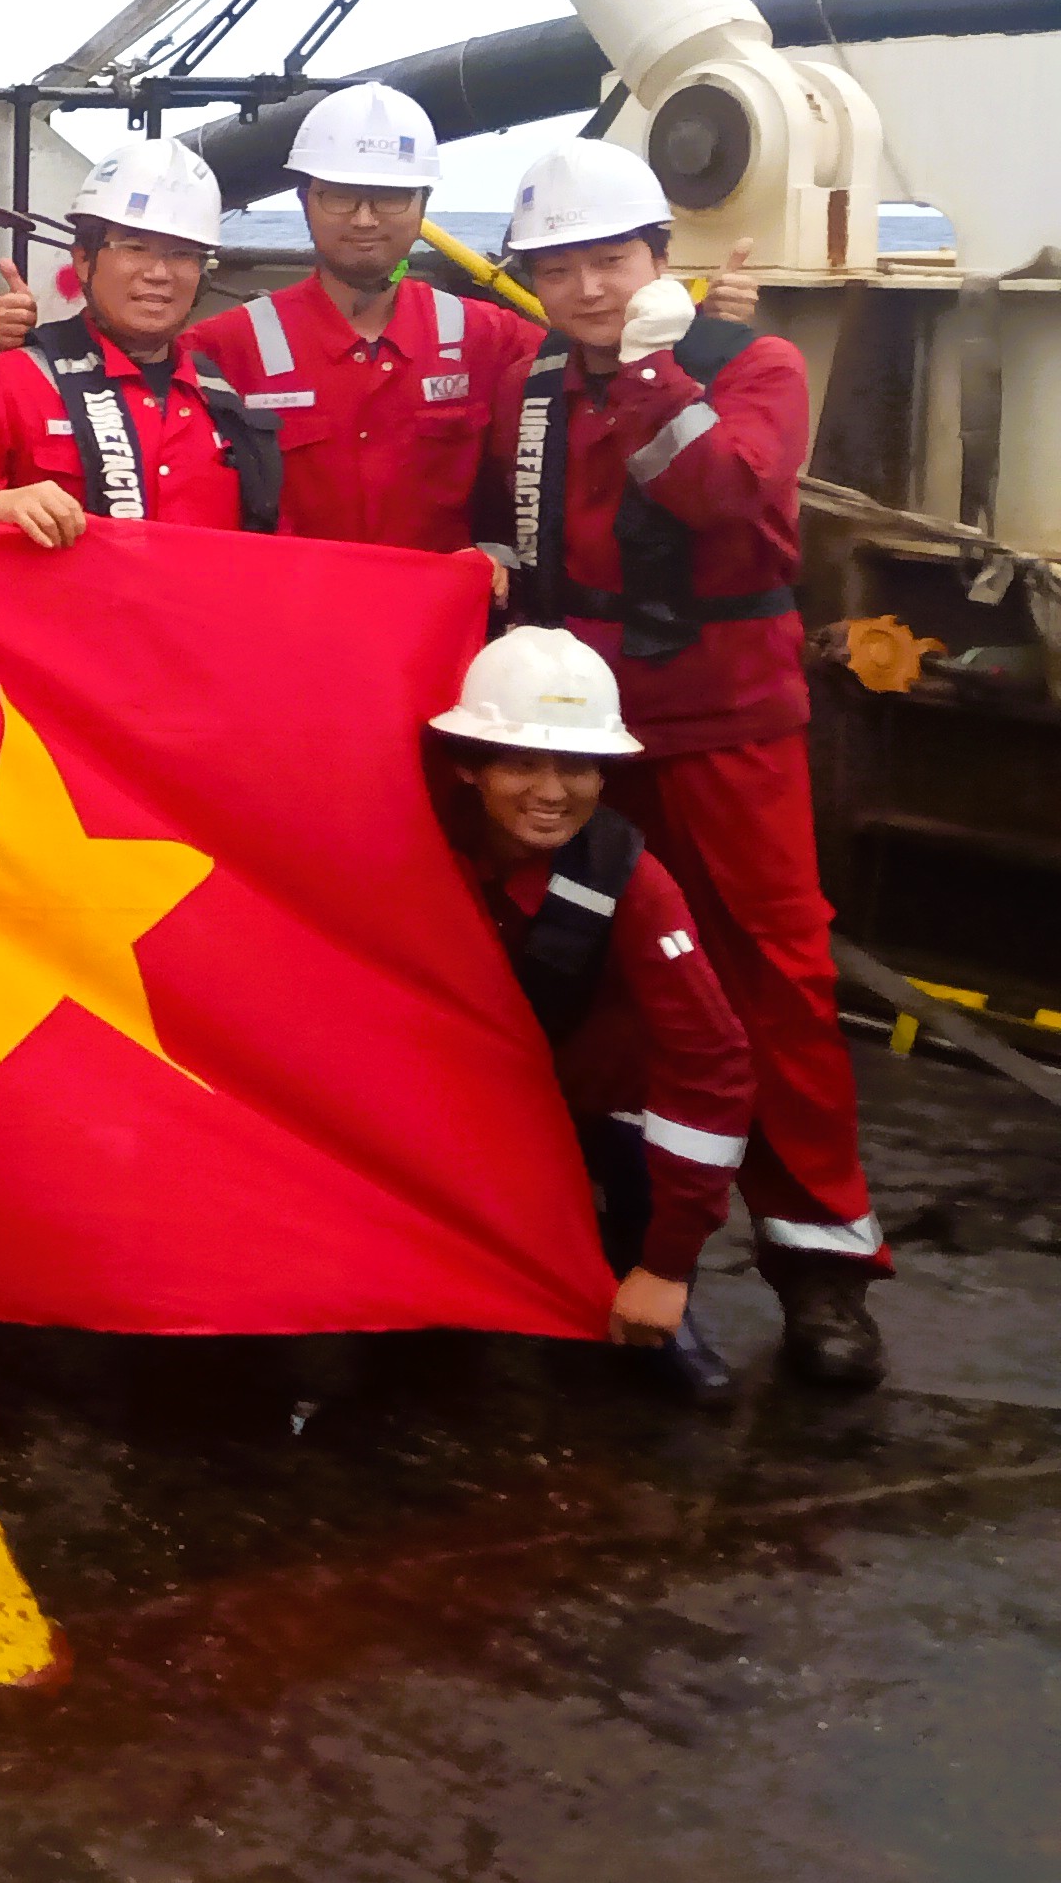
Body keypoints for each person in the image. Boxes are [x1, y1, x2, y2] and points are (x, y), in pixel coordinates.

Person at [471, 137, 884, 1390]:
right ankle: (623, 1241)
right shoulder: (531, 387)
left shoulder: (750, 365)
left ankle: (819, 1267)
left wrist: (655, 370)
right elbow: (512, 528)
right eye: (558, 270)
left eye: (609, 260)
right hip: (580, 732)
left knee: (772, 979)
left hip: (721, 726)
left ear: (660, 256)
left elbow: (729, 497)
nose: (586, 290)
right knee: (587, 979)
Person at [425, 628, 754, 1406]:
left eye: (576, 765)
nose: (552, 790)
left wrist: (666, 1266)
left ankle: (640, 1290)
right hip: (447, 1103)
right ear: (469, 765)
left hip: (589, 1109)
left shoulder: (631, 884)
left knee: (639, 1134)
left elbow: (713, 1063)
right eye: (522, 763)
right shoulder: (414, 843)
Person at [175, 82, 539, 548]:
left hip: (443, 595)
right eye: (340, 196)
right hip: (294, 593)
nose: (364, 219)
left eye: (389, 197)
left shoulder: (489, 338)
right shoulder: (223, 348)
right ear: (304, 200)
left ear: (423, 204)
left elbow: (591, 377)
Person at [0, 138, 280, 540]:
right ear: (83, 259)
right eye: (135, 247)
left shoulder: (225, 398)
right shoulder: (13, 382)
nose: (159, 273)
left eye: (182, 253)